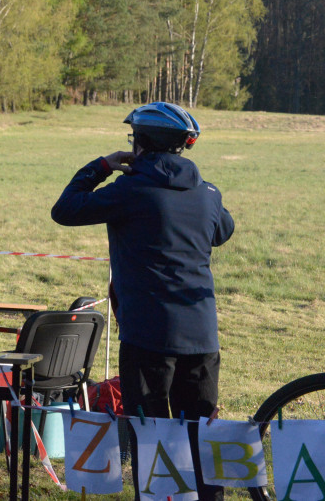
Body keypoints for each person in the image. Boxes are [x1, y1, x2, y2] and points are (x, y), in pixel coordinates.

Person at [50, 102, 234, 501]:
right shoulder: (208, 193)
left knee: (151, 440)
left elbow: (64, 210)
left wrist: (102, 166)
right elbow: (223, 231)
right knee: (202, 437)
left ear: (141, 143)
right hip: (202, 335)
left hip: (148, 336)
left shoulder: (129, 190)